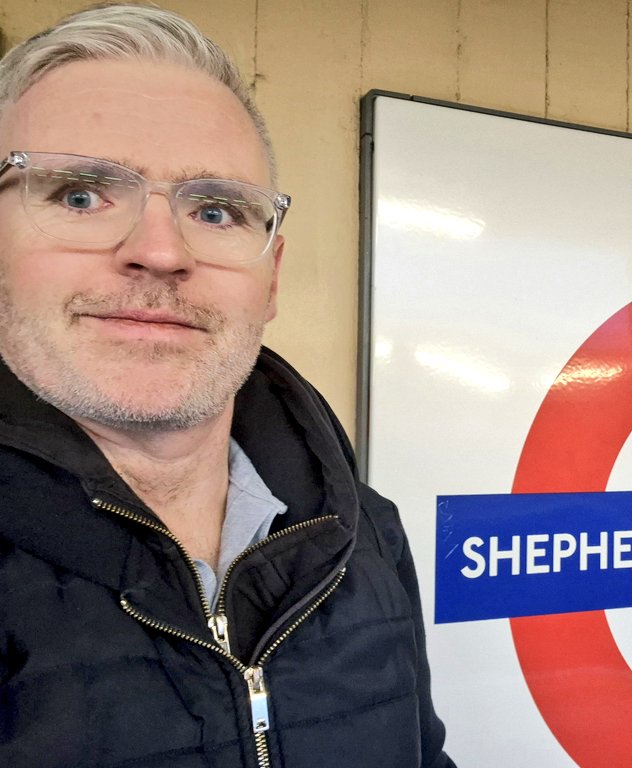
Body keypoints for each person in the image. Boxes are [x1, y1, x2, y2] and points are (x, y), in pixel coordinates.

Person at [0, 5, 454, 767]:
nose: (159, 250)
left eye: (215, 210)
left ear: (270, 279)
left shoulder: (361, 536)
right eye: (80, 194)